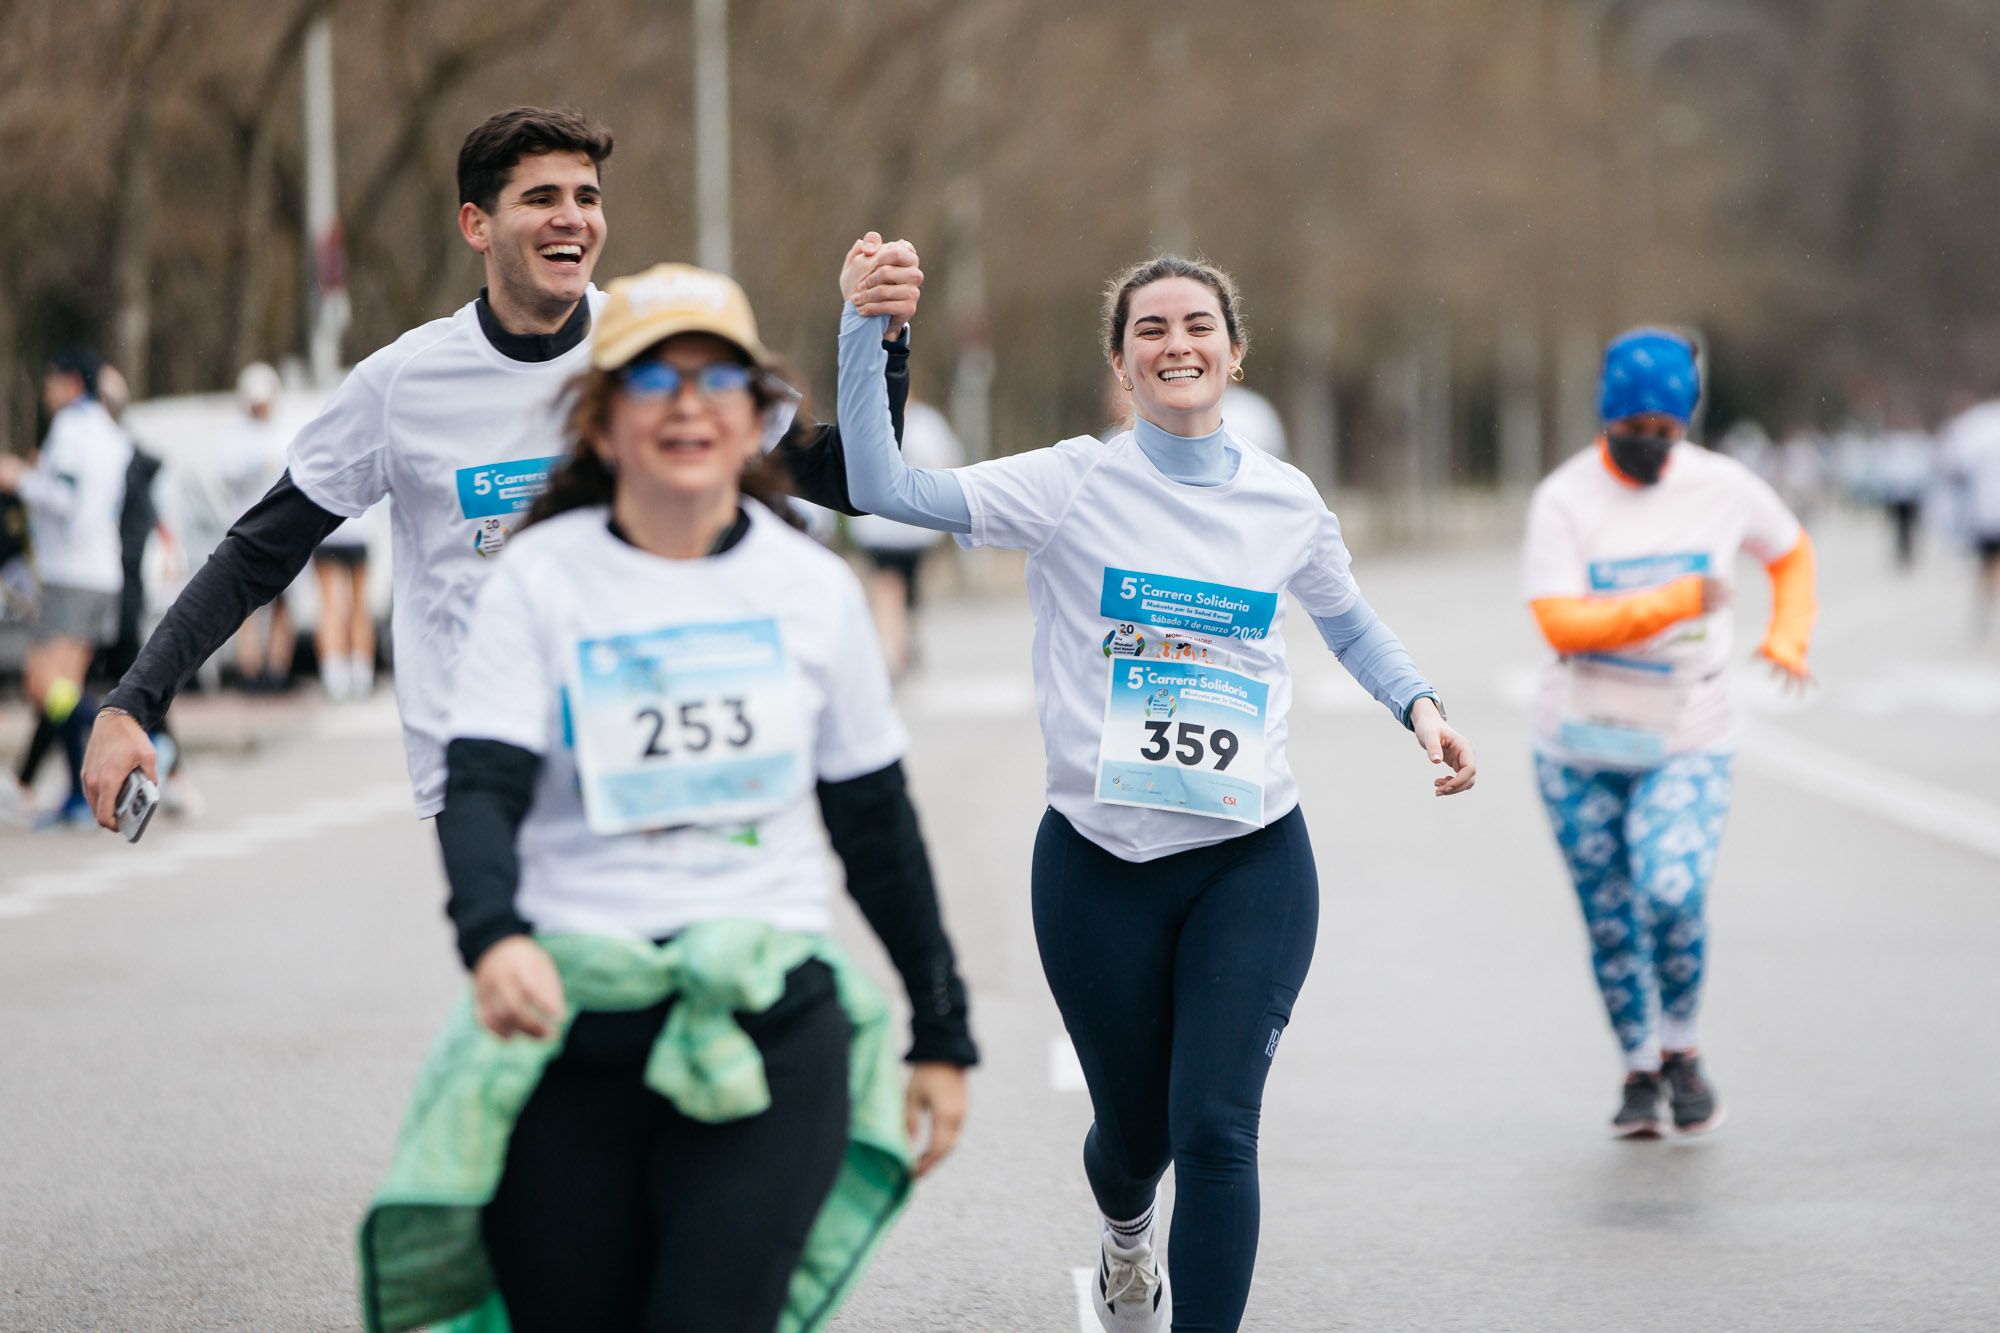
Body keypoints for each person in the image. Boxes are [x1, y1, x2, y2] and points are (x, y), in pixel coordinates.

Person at [836, 251, 1476, 1333]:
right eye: (1149, 331)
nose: (1175, 344)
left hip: (1250, 856)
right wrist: (866, 334)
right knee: (1134, 1139)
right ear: (1121, 363)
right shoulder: (1066, 482)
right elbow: (881, 489)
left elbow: (1346, 618)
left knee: (1217, 1127)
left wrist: (1419, 706)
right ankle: (1126, 1235)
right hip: (1097, 863)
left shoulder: (1283, 500)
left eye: (1197, 325)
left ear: (1233, 352)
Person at [359, 262, 975, 1333]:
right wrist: (493, 934)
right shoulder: (541, 577)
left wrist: (941, 1028)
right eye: (651, 380)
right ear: (599, 422)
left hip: (769, 1025)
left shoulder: (810, 588)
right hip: (569, 1026)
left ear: (753, 418)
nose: (686, 403)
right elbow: (484, 785)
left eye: (715, 379)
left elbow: (874, 822)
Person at [81, 105, 926, 831]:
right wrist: (133, 701)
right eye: (542, 198)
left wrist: (878, 344)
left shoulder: (656, 349)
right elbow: (257, 553)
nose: (573, 219)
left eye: (587, 198)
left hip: (645, 740)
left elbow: (850, 482)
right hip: (484, 765)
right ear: (477, 224)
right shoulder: (401, 384)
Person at [1523, 327, 1817, 1140]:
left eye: (1668, 429)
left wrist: (1787, 634)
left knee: (1672, 889)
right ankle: (1639, 1067)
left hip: (1689, 731)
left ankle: (1682, 1046)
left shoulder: (1723, 487)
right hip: (1577, 745)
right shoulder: (1565, 498)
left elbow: (1790, 554)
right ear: (1607, 417)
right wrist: (1678, 601)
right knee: (1611, 916)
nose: (1653, 444)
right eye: (1636, 429)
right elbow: (1561, 622)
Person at [0, 346, 131, 827]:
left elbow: (66, 499)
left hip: (69, 573)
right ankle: (80, 796)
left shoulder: (72, 429)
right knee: (64, 686)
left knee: (44, 685)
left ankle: (133, 735)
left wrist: (20, 479)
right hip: (102, 572)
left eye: (52, 379)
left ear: (73, 382)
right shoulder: (111, 432)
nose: (46, 389)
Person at [847, 394, 963, 677]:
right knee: (888, 587)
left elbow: (947, 462)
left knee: (907, 592)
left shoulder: (926, 425)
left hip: (914, 530)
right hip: (879, 528)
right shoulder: (870, 419)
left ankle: (901, 640)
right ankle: (893, 650)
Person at [216, 362, 295, 691]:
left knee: (283, 603)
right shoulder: (235, 435)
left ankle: (277, 669)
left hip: (284, 530)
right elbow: (227, 474)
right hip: (248, 528)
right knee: (247, 603)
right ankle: (248, 669)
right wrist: (257, 466)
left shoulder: (284, 431)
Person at [1940, 391, 2000, 636]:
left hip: (1984, 510)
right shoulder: (1977, 423)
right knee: (1992, 562)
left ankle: (1987, 604)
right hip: (1986, 508)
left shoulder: (1974, 424)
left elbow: (1952, 464)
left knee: (1988, 562)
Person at [312, 507, 376, 702]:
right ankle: (362, 676)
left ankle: (334, 678)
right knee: (359, 606)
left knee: (330, 608)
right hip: (358, 530)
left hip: (326, 530)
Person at [1872, 405, 1935, 571]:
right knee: (1899, 524)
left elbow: (1923, 467)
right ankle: (1901, 552)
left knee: (1909, 524)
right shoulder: (1889, 442)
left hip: (1911, 492)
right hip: (1895, 491)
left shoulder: (1917, 441)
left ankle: (1907, 552)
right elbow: (1884, 467)